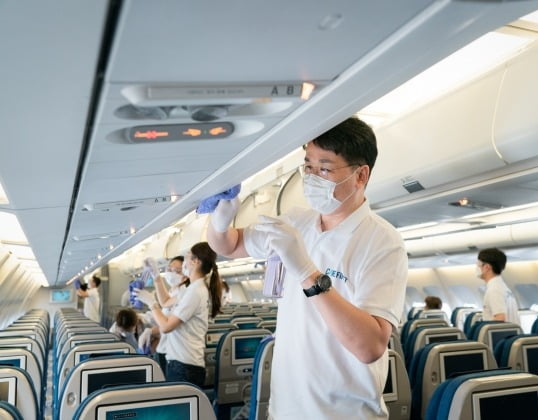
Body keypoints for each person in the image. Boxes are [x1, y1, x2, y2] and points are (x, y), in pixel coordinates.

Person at [206, 117, 408, 419]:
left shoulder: (382, 241)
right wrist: (221, 220)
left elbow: (371, 346)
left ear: (360, 175)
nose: (312, 177)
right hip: (284, 410)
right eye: (308, 166)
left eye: (324, 168)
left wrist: (306, 272)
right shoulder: (296, 222)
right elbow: (229, 246)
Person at [134, 243, 222, 387]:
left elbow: (166, 327)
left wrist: (151, 303)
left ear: (196, 261)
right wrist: (156, 277)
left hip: (185, 366)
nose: (185, 261)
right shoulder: (193, 288)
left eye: (187, 257)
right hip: (183, 363)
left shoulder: (195, 291)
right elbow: (166, 301)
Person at [476, 247, 519, 324]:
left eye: (478, 264)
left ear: (487, 267)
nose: (477, 267)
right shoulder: (501, 286)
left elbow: (500, 318)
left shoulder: (494, 289)